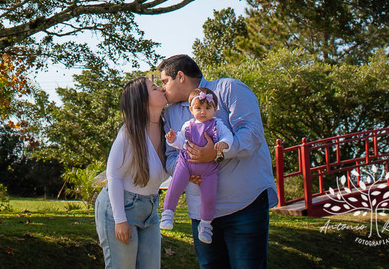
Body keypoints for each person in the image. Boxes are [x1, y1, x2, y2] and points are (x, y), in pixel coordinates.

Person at [157, 54, 277, 269]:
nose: (163, 88)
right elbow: (171, 157)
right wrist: (186, 170)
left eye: (165, 81)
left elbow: (252, 135)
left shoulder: (229, 89)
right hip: (201, 214)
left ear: (181, 77)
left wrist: (216, 154)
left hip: (244, 205)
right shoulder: (171, 113)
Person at [94, 76, 171, 269]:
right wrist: (120, 220)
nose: (161, 89)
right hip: (119, 208)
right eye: (154, 88)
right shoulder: (129, 132)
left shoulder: (168, 128)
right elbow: (114, 176)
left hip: (150, 209)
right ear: (143, 101)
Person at [160, 87, 234, 242]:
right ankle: (168, 213)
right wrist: (172, 139)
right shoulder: (188, 125)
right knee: (176, 186)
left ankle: (206, 225)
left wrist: (224, 144)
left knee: (209, 197)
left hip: (209, 169)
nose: (203, 111)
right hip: (186, 163)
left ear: (215, 109)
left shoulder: (217, 124)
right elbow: (181, 143)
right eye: (198, 108)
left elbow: (228, 136)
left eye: (208, 108)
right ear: (191, 110)